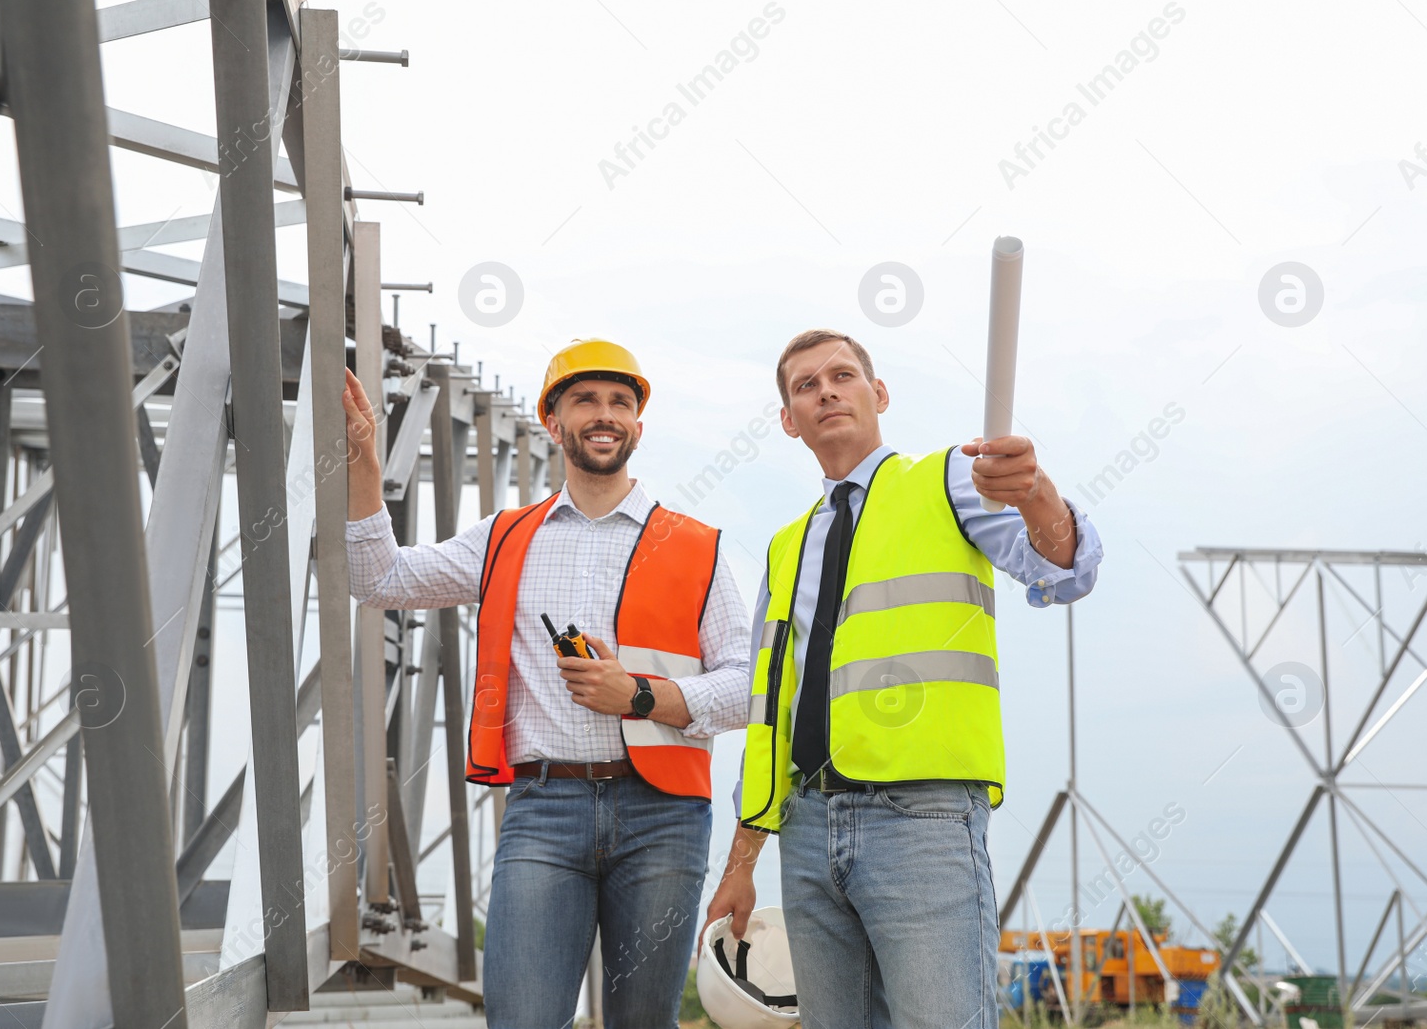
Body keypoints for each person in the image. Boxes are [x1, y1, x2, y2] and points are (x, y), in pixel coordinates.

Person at [343, 340, 751, 1028]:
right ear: (553, 419)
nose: (604, 414)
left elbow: (749, 687)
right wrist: (362, 466)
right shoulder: (504, 538)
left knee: (642, 1022)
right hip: (543, 808)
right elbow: (378, 579)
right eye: (586, 399)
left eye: (621, 402)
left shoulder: (695, 544)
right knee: (522, 1018)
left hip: (664, 813)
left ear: (638, 427)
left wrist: (642, 695)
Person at [703, 329, 1103, 1029]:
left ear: (878, 392)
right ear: (789, 420)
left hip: (920, 820)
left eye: (843, 375)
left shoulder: (950, 480)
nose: (826, 390)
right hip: (806, 828)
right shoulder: (785, 544)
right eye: (805, 385)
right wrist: (742, 860)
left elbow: (1063, 569)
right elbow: (772, 712)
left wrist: (1036, 491)